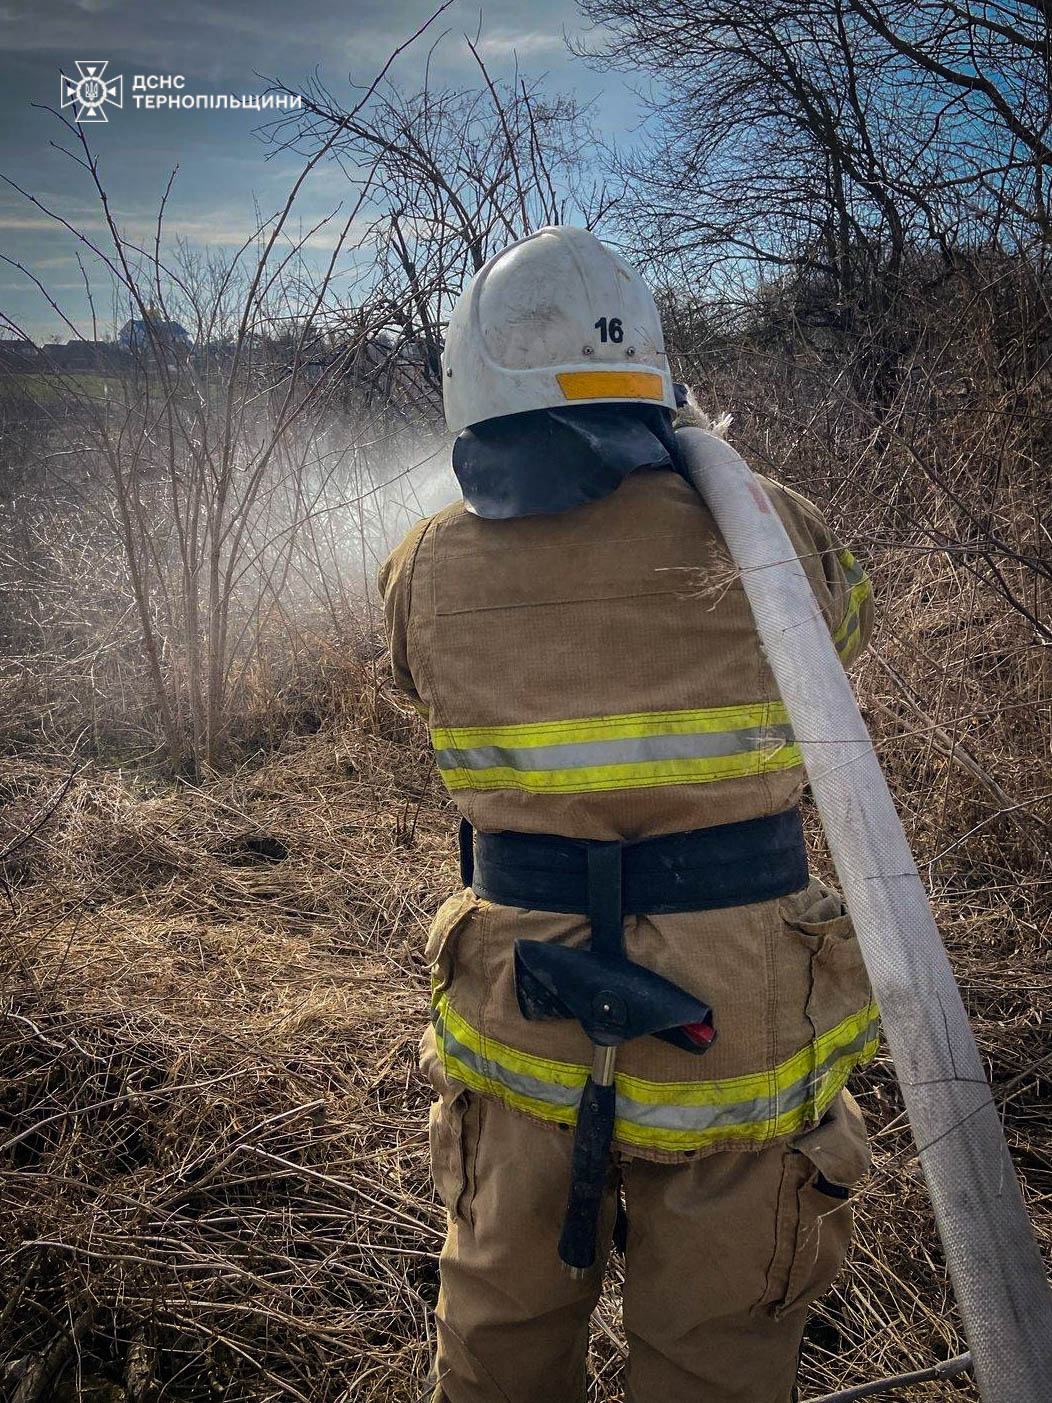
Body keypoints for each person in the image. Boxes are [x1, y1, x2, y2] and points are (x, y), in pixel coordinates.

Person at [379, 226, 876, 1403]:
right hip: (737, 1013)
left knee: (497, 1331)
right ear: (649, 375)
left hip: (522, 1002)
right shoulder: (763, 525)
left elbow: (411, 677)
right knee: (717, 1347)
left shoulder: (424, 562)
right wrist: (706, 462)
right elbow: (839, 632)